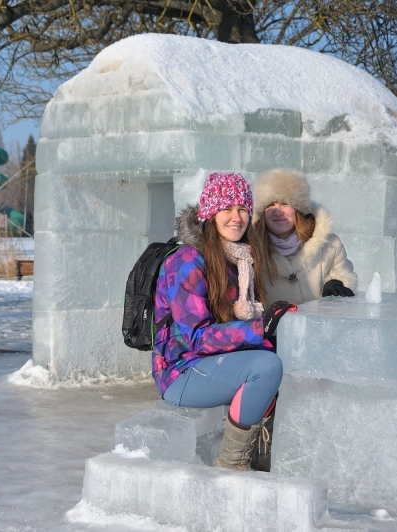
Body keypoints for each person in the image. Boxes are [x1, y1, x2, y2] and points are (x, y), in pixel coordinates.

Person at [152, 172, 293, 472]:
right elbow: (195, 338)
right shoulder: (186, 260)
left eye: (242, 209)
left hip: (211, 363)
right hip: (181, 371)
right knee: (266, 367)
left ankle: (263, 453)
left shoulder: (240, 259)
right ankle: (232, 464)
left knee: (284, 357)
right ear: (210, 214)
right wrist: (261, 329)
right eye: (226, 208)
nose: (236, 217)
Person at [251, 168, 357, 308]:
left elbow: (345, 277)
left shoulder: (331, 245)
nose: (277, 212)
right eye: (270, 205)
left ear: (298, 208)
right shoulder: (251, 250)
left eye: (285, 203)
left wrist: (336, 282)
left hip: (317, 322)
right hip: (271, 323)